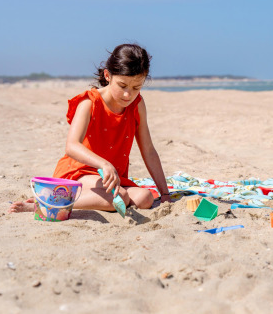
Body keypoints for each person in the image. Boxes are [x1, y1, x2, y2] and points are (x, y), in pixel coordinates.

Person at [9, 43, 171, 214]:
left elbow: (149, 150)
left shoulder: (137, 105)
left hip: (110, 178)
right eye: (122, 86)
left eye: (136, 88)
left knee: (145, 198)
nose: (128, 95)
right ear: (108, 75)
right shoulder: (89, 102)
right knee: (120, 197)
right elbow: (72, 146)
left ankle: (77, 199)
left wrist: (165, 193)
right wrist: (104, 164)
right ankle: (47, 203)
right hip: (80, 172)